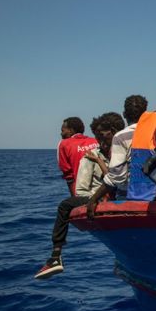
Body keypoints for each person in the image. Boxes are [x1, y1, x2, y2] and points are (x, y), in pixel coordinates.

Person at [35, 112, 125, 280]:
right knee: (65, 205)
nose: (101, 142)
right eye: (98, 138)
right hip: (96, 197)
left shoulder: (124, 150)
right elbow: (82, 191)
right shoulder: (90, 156)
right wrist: (93, 199)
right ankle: (56, 256)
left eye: (104, 137)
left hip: (122, 197)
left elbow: (69, 174)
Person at [57, 117, 99, 196]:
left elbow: (68, 175)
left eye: (62, 130)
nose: (61, 133)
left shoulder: (64, 144)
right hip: (102, 192)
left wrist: (75, 197)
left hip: (82, 192)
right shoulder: (95, 141)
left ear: (71, 130)